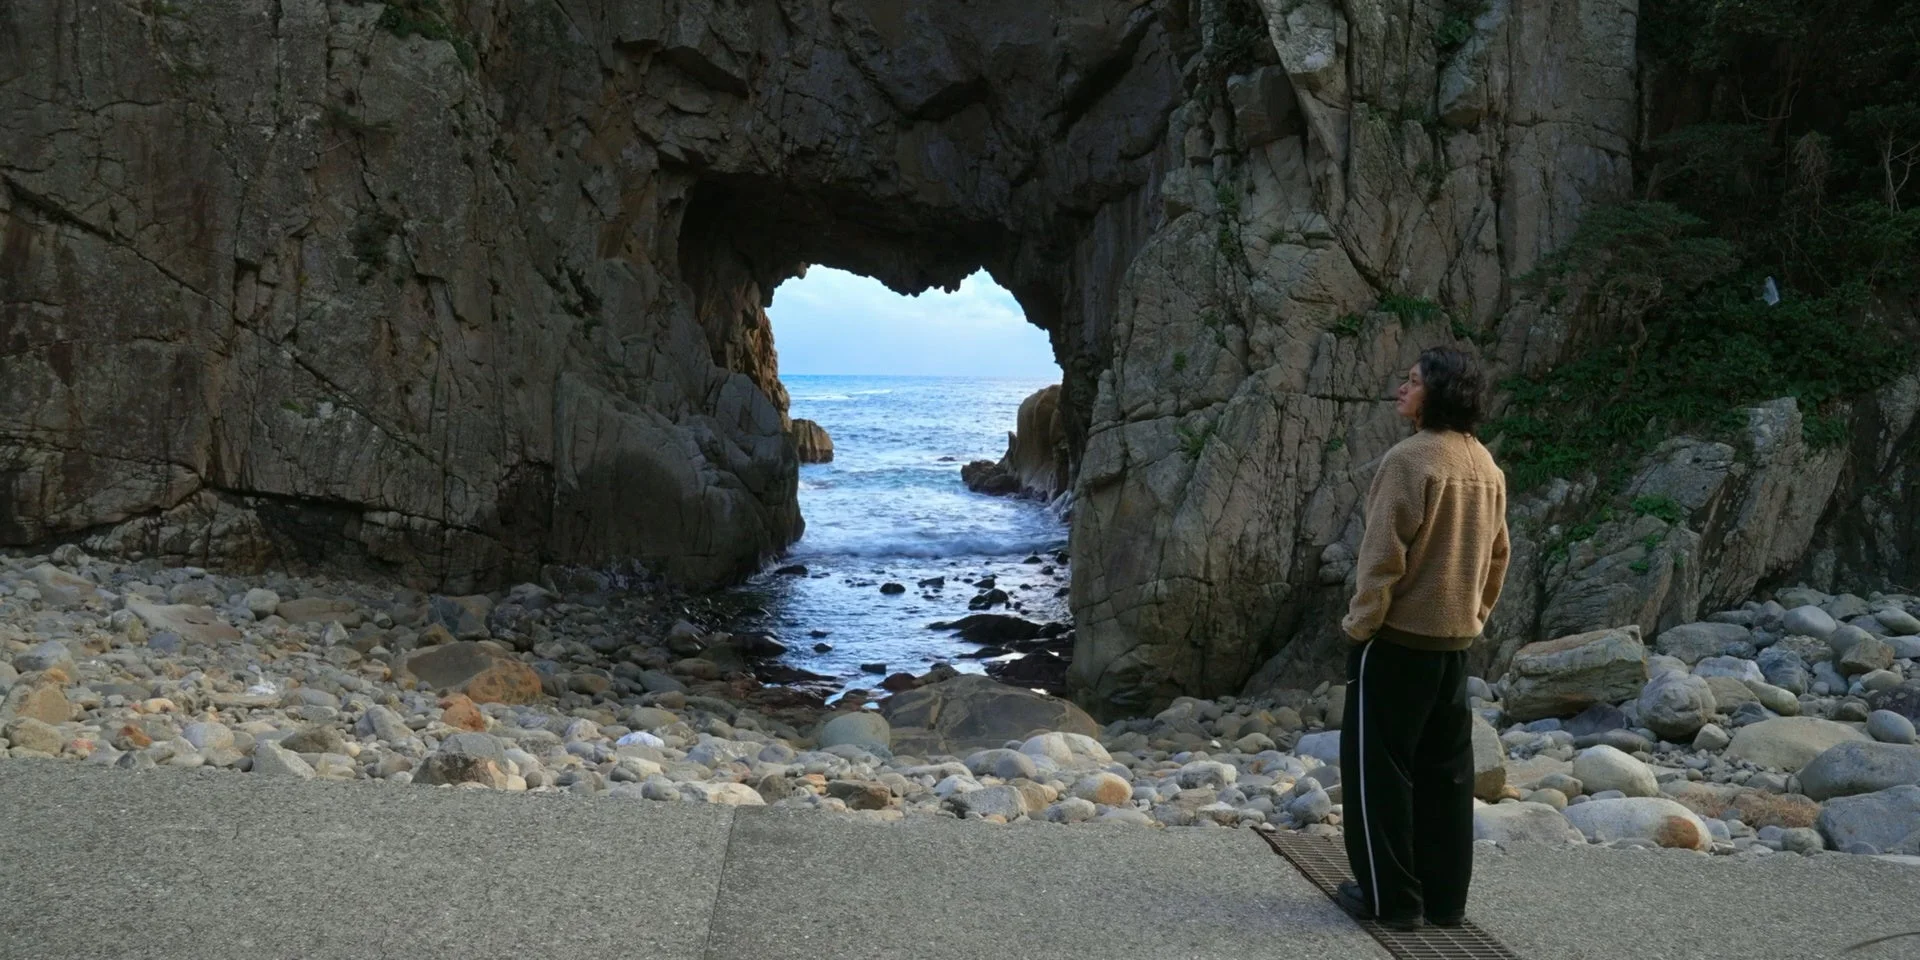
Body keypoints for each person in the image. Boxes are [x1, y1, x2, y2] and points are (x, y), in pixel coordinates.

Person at [1335, 346, 1510, 931]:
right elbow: (1499, 556)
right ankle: (1444, 902)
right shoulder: (1485, 464)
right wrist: (1474, 615)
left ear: (1437, 393)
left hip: (1397, 642)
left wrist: (1361, 627)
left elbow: (1382, 558)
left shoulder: (1410, 460)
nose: (1401, 389)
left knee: (1379, 776)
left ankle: (1391, 902)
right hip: (1453, 647)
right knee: (1447, 777)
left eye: (1412, 382)